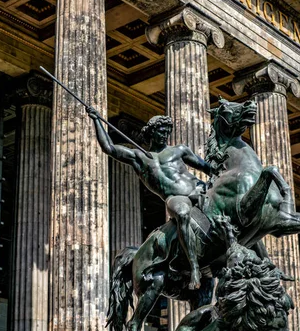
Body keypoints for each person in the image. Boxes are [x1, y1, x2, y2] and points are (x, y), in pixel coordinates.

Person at [87, 108, 211, 290]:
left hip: (198, 189)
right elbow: (110, 148)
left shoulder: (179, 150)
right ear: (152, 132)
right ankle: (194, 268)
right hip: (176, 198)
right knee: (183, 214)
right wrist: (97, 120)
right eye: (161, 132)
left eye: (167, 132)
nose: (164, 135)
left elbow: (205, 167)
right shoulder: (141, 158)